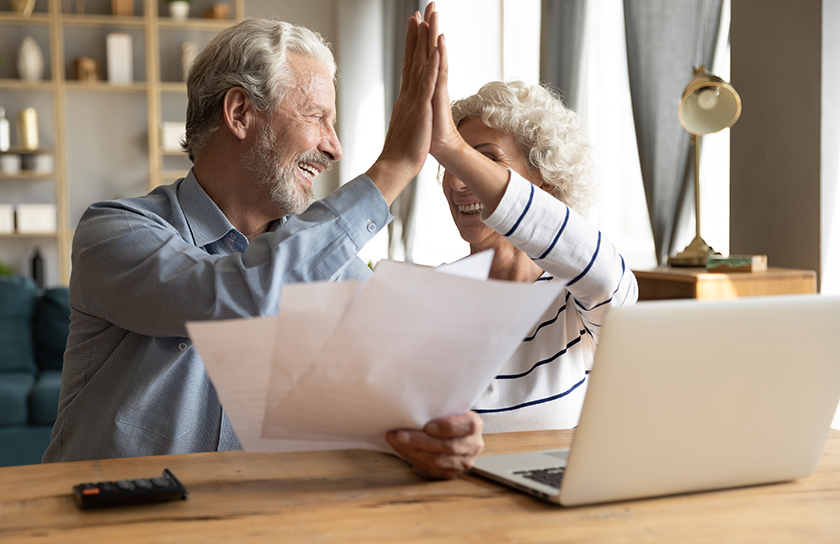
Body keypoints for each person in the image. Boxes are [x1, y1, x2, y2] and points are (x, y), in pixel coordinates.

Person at [44, 5, 482, 480]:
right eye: (318, 117)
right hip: (108, 522)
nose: (335, 148)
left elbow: (400, 389)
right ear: (239, 113)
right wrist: (393, 166)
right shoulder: (113, 232)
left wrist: (436, 433)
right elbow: (235, 299)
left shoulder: (331, 266)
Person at [429, 70, 638, 430]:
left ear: (542, 180)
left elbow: (605, 276)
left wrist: (452, 146)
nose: (458, 181)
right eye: (451, 164)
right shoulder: (432, 293)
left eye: (483, 162)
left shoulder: (577, 299)